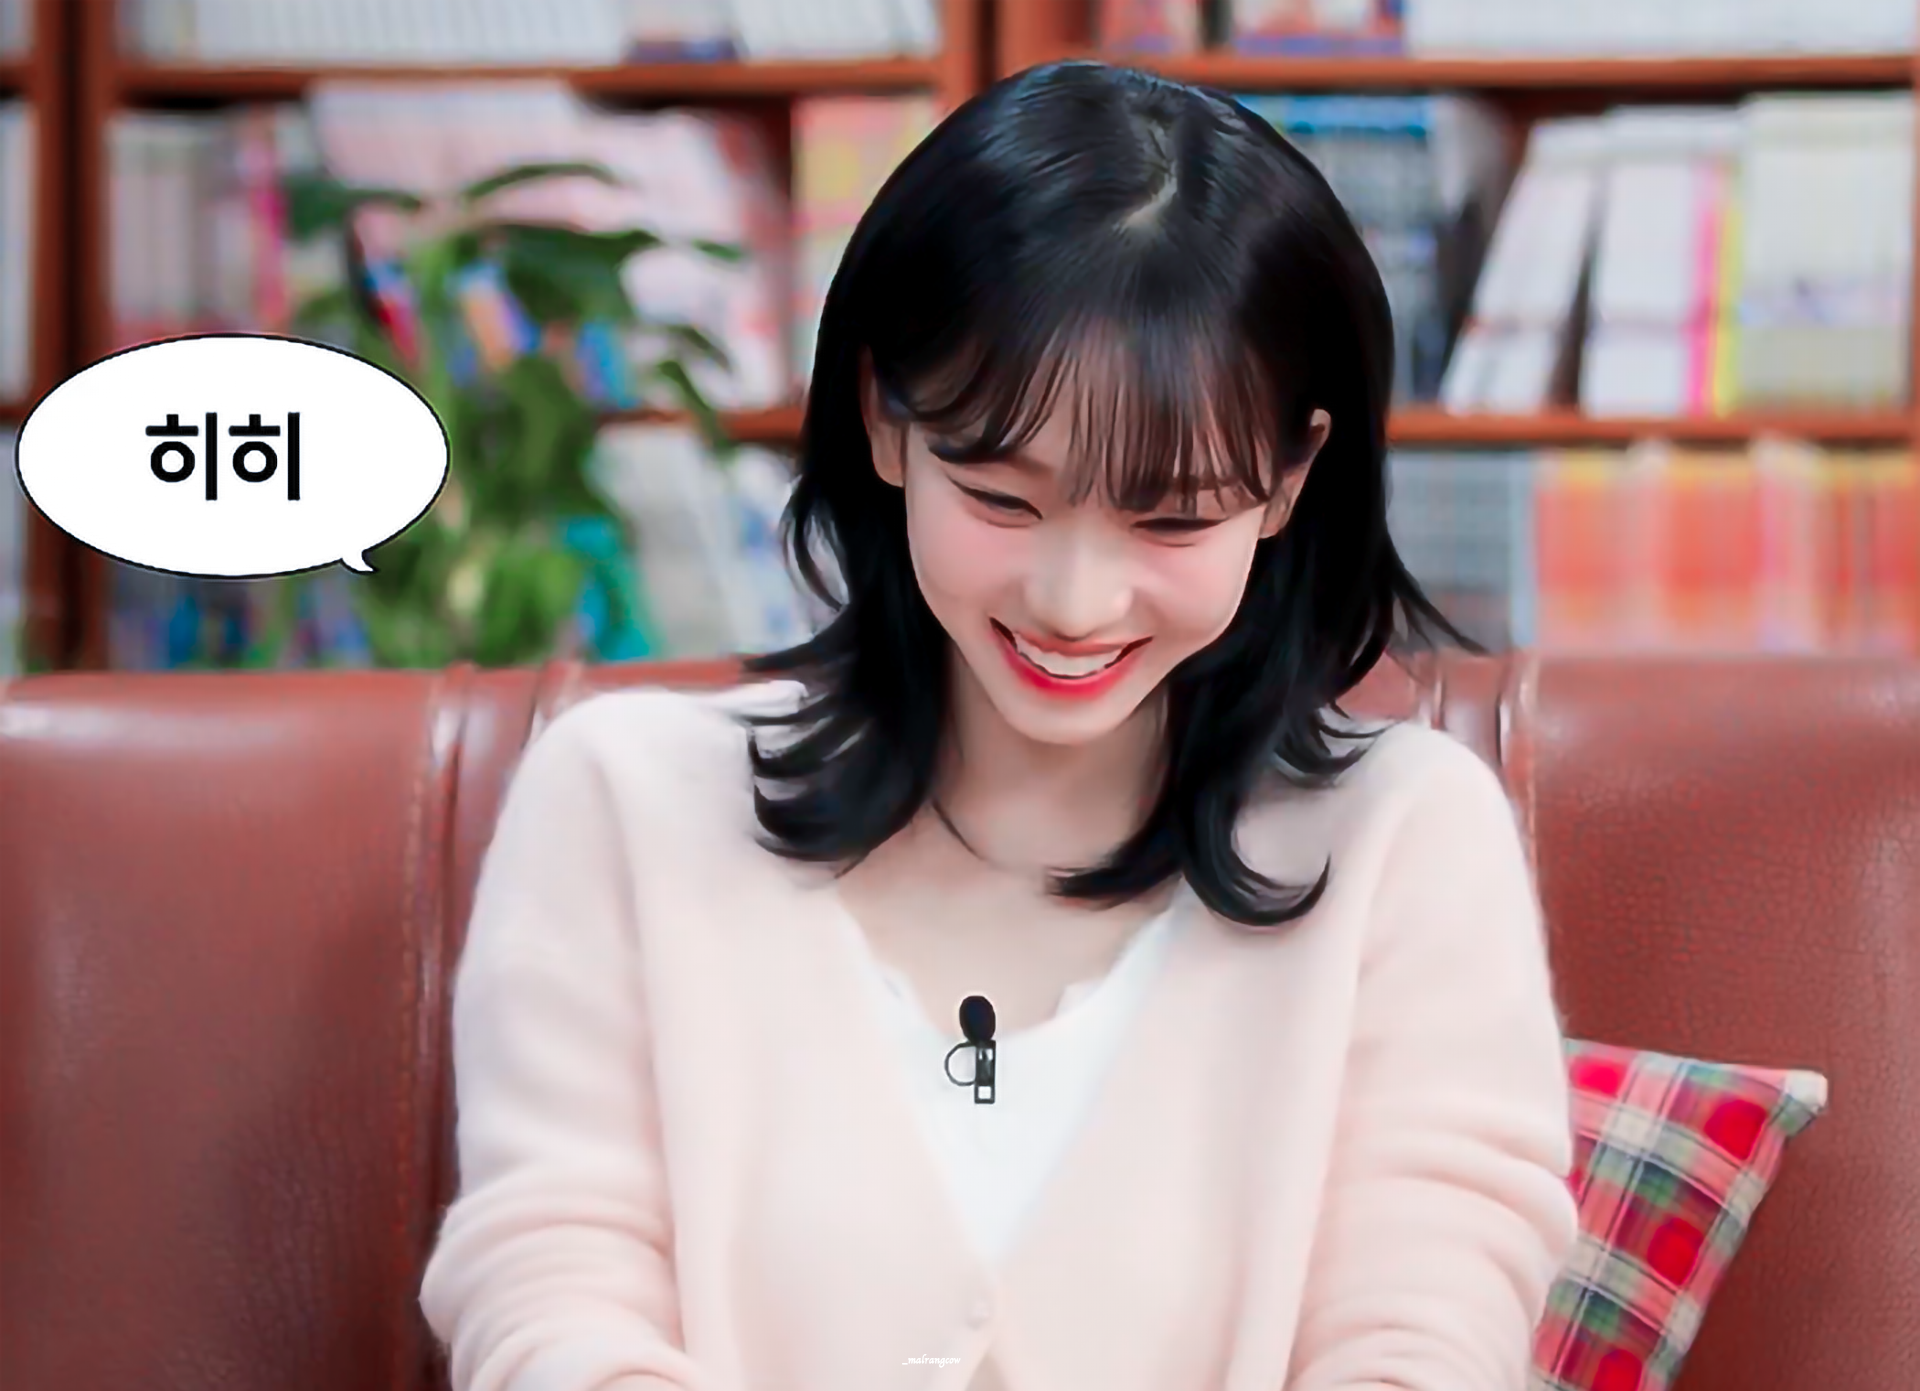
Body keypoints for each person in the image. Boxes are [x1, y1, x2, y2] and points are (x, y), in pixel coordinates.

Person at [418, 60, 1578, 1391]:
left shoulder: (1406, 841)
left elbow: (1424, 1335)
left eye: (1171, 518)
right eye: (1003, 500)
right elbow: (554, 1289)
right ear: (885, 418)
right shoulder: (624, 804)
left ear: (1288, 480)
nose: (1074, 603)